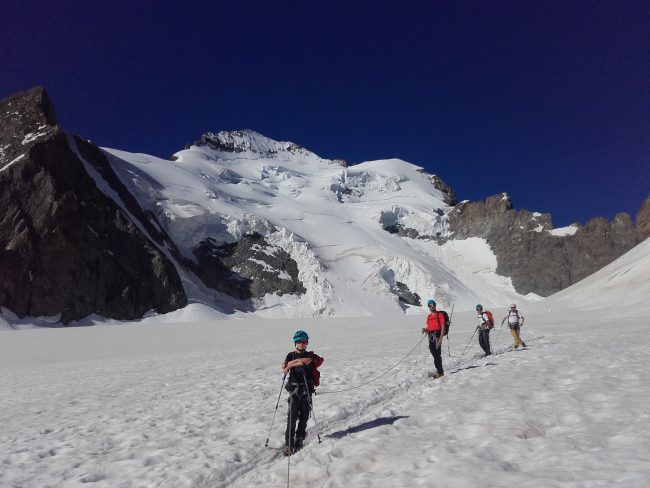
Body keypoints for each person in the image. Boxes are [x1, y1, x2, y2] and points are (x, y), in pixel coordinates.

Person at [281, 330, 323, 456]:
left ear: (307, 343)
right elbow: (284, 366)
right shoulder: (290, 355)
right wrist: (288, 365)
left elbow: (304, 362)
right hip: (294, 389)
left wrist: (289, 365)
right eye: (299, 341)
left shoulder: (310, 355)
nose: (301, 344)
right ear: (295, 343)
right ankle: (289, 444)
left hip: (306, 389)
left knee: (304, 416)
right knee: (291, 418)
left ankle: (299, 438)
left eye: (304, 341)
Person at [421, 299, 447, 379]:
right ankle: (438, 370)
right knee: (434, 354)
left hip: (437, 337)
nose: (431, 306)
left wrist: (440, 339)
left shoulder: (439, 315)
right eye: (430, 305)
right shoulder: (429, 316)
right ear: (428, 306)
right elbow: (430, 327)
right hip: (431, 337)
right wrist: (425, 330)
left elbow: (443, 327)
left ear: (435, 305)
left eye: (432, 304)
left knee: (437, 355)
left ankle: (440, 372)